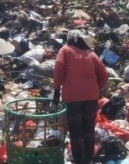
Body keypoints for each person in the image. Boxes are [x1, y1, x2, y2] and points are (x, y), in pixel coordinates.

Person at [53, 29, 109, 164]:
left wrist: (56, 90)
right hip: (91, 98)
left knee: (75, 129)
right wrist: (95, 88)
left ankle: (80, 161)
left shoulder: (65, 50)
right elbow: (104, 76)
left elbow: (59, 68)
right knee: (89, 128)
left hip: (72, 97)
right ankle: (89, 159)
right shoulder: (91, 54)